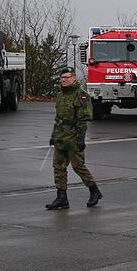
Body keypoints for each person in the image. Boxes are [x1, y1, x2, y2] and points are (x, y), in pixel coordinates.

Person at [46, 67, 102, 210]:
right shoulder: (60, 95)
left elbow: (83, 119)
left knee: (78, 166)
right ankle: (61, 197)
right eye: (62, 78)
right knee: (58, 167)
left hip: (73, 136)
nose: (64, 80)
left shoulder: (81, 95)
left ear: (73, 78)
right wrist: (53, 135)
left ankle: (94, 190)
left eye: (66, 77)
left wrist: (81, 139)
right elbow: (58, 118)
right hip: (60, 136)